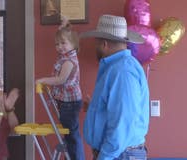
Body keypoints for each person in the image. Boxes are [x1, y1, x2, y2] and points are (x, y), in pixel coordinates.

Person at [81, 14, 150, 160]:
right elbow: (117, 111)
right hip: (118, 154)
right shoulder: (118, 68)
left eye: (96, 43)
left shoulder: (122, 71)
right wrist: (94, 108)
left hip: (118, 155)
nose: (95, 47)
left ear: (104, 44)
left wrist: (104, 157)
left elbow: (123, 123)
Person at [36, 17, 85, 160]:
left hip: (70, 103)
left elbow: (61, 79)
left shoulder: (69, 61)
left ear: (73, 44)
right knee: (69, 133)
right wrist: (63, 28)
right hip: (66, 102)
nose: (60, 47)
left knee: (72, 134)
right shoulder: (65, 56)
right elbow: (63, 37)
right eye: (57, 44)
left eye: (63, 43)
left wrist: (43, 80)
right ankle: (71, 155)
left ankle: (76, 157)